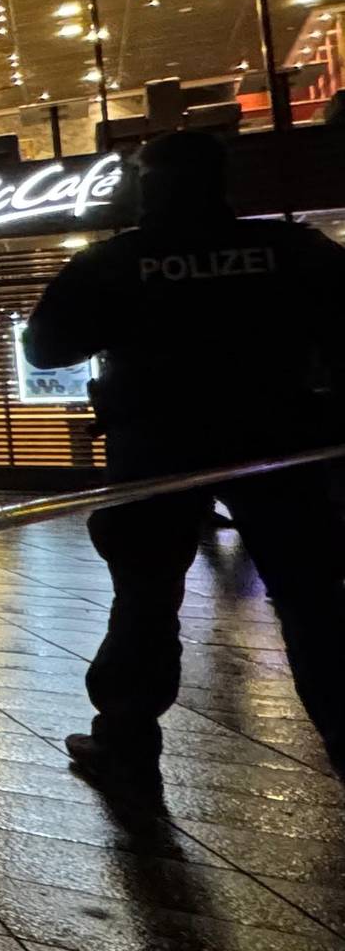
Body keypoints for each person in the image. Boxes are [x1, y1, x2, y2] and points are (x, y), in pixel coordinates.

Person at [23, 131, 345, 784]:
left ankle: (126, 738)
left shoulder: (118, 262)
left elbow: (45, 347)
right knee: (313, 602)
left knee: (144, 598)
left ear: (149, 186)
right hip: (281, 445)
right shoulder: (290, 250)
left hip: (156, 447)